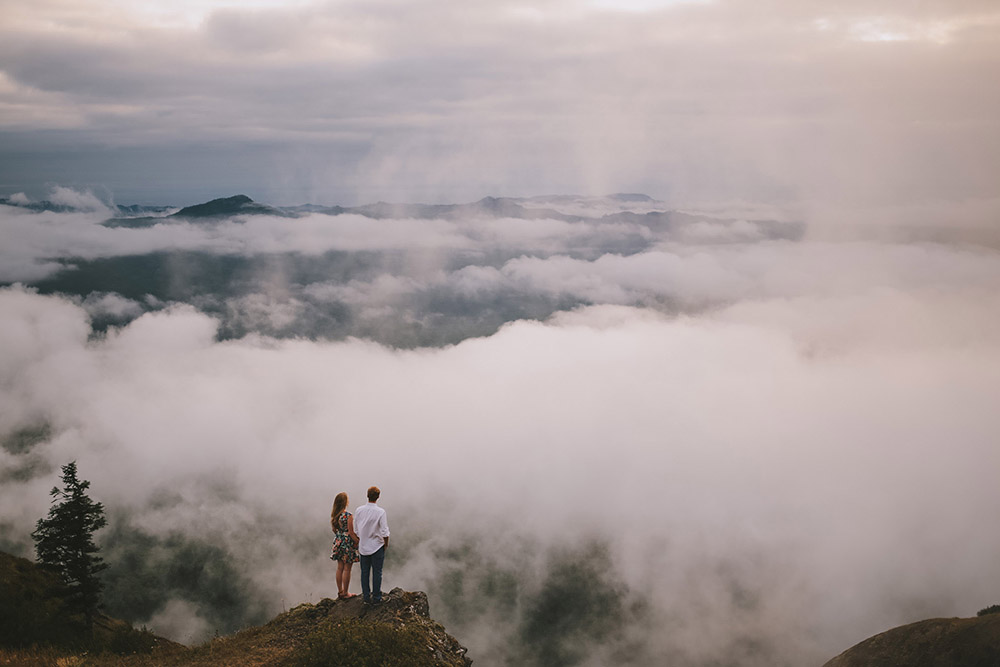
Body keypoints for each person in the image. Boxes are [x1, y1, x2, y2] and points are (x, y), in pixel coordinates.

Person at [354, 485, 390, 604]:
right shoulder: (380, 512)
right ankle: (376, 598)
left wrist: (361, 539)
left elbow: (356, 529)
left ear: (367, 495)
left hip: (363, 546)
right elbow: (384, 531)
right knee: (377, 572)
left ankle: (366, 597)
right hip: (377, 546)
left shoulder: (359, 510)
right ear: (378, 497)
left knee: (364, 572)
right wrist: (386, 544)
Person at [330, 491, 359, 599]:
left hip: (338, 541)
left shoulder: (335, 516)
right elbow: (351, 532)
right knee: (347, 569)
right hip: (347, 543)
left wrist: (340, 537)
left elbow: (335, 530)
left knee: (339, 568)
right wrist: (357, 541)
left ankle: (340, 591)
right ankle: (346, 593)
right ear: (345, 502)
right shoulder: (348, 516)